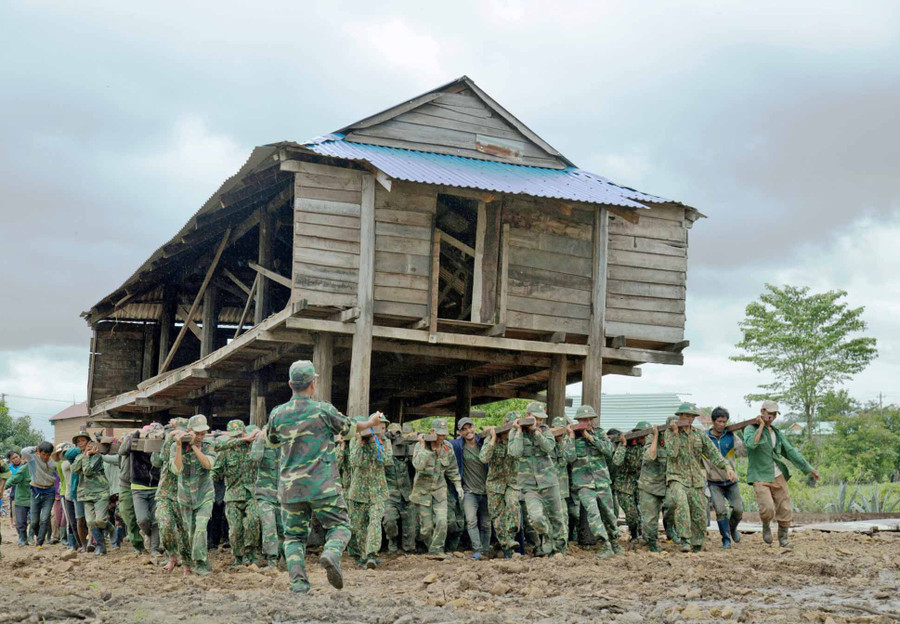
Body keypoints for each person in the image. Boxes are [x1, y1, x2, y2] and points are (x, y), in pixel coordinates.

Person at [266, 359, 381, 594]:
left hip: (290, 489)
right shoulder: (323, 410)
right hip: (322, 485)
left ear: (290, 384)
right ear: (313, 384)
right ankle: (331, 553)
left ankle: (298, 583)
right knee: (340, 526)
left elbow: (270, 441)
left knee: (294, 537)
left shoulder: (278, 414)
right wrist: (370, 422)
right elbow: (349, 428)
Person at [744, 400, 819, 548]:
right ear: (762, 412)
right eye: (769, 413)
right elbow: (751, 444)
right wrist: (760, 426)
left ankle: (783, 539)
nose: (771, 417)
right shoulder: (750, 428)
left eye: (774, 414)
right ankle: (766, 524)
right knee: (767, 508)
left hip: (777, 474)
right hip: (760, 474)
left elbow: (790, 451)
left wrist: (809, 468)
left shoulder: (777, 433)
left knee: (784, 507)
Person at [665, 402, 736, 553]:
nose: (689, 419)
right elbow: (672, 453)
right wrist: (676, 433)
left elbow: (713, 453)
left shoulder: (699, 434)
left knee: (699, 512)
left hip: (695, 479)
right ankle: (684, 540)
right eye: (686, 416)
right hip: (677, 477)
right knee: (682, 505)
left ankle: (697, 543)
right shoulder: (670, 433)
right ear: (680, 416)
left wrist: (727, 467)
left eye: (692, 416)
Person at [508, 403, 566, 557]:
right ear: (528, 416)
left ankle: (559, 551)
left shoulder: (545, 431)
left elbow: (548, 447)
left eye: (541, 419)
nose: (539, 421)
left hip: (549, 481)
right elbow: (515, 452)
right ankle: (546, 534)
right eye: (536, 418)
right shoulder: (515, 432)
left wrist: (536, 431)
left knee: (557, 518)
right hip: (529, 485)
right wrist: (519, 431)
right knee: (536, 518)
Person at [569, 405, 620, 558]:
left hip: (602, 481)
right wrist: (571, 437)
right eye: (584, 419)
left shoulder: (599, 433)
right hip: (583, 483)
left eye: (590, 419)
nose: (587, 421)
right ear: (578, 420)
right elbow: (568, 457)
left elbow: (608, 450)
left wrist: (589, 437)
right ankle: (605, 545)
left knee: (609, 515)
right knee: (593, 514)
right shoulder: (570, 436)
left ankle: (614, 542)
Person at [171, 414, 217, 575]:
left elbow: (208, 464)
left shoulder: (208, 445)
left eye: (202, 433)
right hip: (185, 497)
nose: (200, 437)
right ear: (189, 430)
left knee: (201, 529)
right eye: (197, 433)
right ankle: (192, 562)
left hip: (204, 495)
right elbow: (176, 470)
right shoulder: (176, 446)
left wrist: (195, 446)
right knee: (190, 533)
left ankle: (201, 563)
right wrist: (178, 446)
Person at [411, 418, 463, 560]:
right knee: (426, 528)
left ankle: (437, 550)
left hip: (439, 490)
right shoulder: (421, 446)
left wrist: (458, 486)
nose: (442, 437)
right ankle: (431, 548)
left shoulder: (447, 447)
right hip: (422, 492)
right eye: (439, 434)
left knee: (442, 521)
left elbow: (452, 469)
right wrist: (425, 447)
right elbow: (418, 465)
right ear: (432, 432)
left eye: (444, 434)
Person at [347, 413, 392, 569]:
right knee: (357, 527)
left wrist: (374, 443)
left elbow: (386, 461)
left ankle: (371, 555)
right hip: (358, 492)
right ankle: (360, 556)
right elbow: (355, 462)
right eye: (377, 426)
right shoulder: (355, 441)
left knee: (374, 523)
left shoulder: (385, 442)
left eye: (383, 427)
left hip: (378, 492)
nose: (380, 429)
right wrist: (361, 442)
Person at [215, 419, 262, 567]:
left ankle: (251, 553)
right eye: (234, 436)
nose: (238, 439)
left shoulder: (254, 448)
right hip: (233, 495)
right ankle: (238, 557)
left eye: (240, 435)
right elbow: (216, 473)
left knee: (253, 523)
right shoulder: (226, 451)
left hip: (251, 493)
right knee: (235, 530)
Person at [450, 416, 491, 560]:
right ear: (459, 432)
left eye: (470, 427)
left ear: (474, 427)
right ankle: (478, 550)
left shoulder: (483, 442)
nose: (468, 431)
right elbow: (442, 441)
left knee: (486, 523)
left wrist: (491, 430)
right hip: (469, 491)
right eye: (464, 429)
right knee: (471, 521)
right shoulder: (457, 446)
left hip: (487, 490)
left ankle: (485, 551)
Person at [480, 412, 520, 558]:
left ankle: (510, 538)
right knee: (497, 517)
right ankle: (506, 548)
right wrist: (493, 439)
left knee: (513, 504)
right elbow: (483, 458)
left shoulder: (518, 439)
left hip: (512, 482)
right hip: (495, 483)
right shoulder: (492, 439)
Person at [152, 418, 190, 572]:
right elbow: (161, 458)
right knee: (165, 524)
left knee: (184, 532)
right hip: (165, 493)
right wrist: (170, 438)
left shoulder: (193, 446)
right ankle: (172, 556)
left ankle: (187, 562)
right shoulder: (169, 444)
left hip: (185, 495)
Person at [70, 438, 118, 555]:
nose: (80, 443)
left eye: (83, 441)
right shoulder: (78, 457)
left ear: (89, 442)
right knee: (91, 522)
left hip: (100, 492)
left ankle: (111, 529)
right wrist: (84, 455)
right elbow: (74, 469)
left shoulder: (98, 456)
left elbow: (87, 471)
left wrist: (87, 455)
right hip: (86, 494)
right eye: (78, 442)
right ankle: (101, 547)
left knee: (100, 520)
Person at [705, 407, 745, 549]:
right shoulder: (705, 438)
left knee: (738, 509)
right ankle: (726, 539)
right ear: (713, 421)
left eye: (724, 422)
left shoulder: (730, 436)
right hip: (714, 482)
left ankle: (732, 528)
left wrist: (744, 432)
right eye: (719, 421)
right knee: (721, 511)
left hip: (731, 481)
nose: (722, 424)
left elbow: (743, 452)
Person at [639, 417, 677, 552]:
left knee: (673, 503)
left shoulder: (678, 438)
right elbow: (650, 456)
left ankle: (670, 529)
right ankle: (652, 543)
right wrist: (655, 436)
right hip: (649, 485)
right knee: (650, 520)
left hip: (667, 484)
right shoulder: (654, 436)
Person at [251, 423, 284, 568]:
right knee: (269, 526)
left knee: (283, 528)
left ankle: (285, 559)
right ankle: (271, 560)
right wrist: (260, 439)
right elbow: (255, 458)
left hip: (284, 495)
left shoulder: (287, 444)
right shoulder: (262, 443)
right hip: (265, 493)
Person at [613, 422, 651, 542]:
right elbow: (617, 461)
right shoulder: (626, 446)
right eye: (640, 436)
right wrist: (623, 444)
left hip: (639, 486)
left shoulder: (647, 448)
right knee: (632, 515)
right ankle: (634, 534)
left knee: (643, 514)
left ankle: (639, 536)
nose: (642, 439)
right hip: (624, 486)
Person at [383, 423, 416, 555]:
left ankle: (408, 550)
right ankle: (392, 542)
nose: (396, 437)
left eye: (398, 433)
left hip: (407, 495)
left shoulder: (408, 450)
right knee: (389, 521)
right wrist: (387, 436)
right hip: (390, 495)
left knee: (411, 529)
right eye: (393, 434)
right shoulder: (385, 449)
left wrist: (413, 438)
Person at [20, 442, 57, 548]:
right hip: (35, 492)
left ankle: (39, 543)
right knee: (34, 521)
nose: (45, 457)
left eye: (48, 455)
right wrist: (35, 447)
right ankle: (38, 535)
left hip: (49, 492)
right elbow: (23, 451)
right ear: (38, 453)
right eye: (43, 454)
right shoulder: (32, 459)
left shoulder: (53, 462)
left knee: (45, 518)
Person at [115, 429, 145, 554]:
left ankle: (151, 543)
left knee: (145, 518)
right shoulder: (129, 442)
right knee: (128, 516)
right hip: (126, 484)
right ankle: (138, 545)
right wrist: (131, 436)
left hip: (143, 485)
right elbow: (121, 451)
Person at [550, 417, 576, 550]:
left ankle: (562, 547)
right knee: (548, 518)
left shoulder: (566, 442)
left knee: (563, 518)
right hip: (547, 488)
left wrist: (562, 440)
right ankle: (549, 546)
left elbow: (570, 457)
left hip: (562, 489)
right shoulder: (547, 441)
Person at [6, 452, 31, 546]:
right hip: (15, 496)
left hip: (29, 495)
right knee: (19, 521)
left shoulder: (26, 467)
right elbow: (8, 481)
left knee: (32, 519)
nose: (16, 459)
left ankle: (30, 536)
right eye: (13, 458)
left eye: (17, 457)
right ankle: (22, 538)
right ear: (10, 460)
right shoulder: (9, 470)